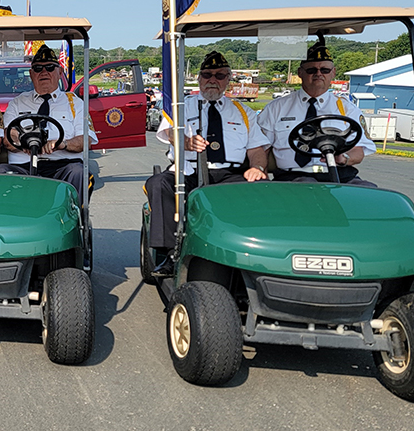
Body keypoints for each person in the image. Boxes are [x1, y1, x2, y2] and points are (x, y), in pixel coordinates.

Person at [144, 51, 270, 275]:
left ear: (228, 79)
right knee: (159, 184)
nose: (213, 80)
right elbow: (169, 133)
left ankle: (255, 254)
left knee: (262, 189)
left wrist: (257, 168)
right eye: (207, 74)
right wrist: (186, 142)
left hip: (229, 174)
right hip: (189, 170)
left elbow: (257, 149)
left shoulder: (244, 112)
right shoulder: (181, 106)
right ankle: (171, 254)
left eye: (220, 75)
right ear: (199, 78)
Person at [257, 41, 376, 186]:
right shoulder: (276, 108)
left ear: (333, 72)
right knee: (307, 190)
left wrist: (343, 158)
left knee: (372, 194)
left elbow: (358, 151)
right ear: (300, 73)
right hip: (293, 177)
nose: (318, 74)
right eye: (311, 70)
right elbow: (260, 148)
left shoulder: (347, 108)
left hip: (338, 174)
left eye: (324, 70)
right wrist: (261, 174)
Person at [0, 44, 96, 200]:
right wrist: (22, 141)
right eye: (38, 69)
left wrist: (62, 144)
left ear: (60, 72)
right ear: (31, 74)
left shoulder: (75, 103)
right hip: (23, 166)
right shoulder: (17, 103)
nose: (44, 72)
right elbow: (7, 138)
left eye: (50, 67)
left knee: (79, 173)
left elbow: (86, 140)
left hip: (62, 165)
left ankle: (76, 221)